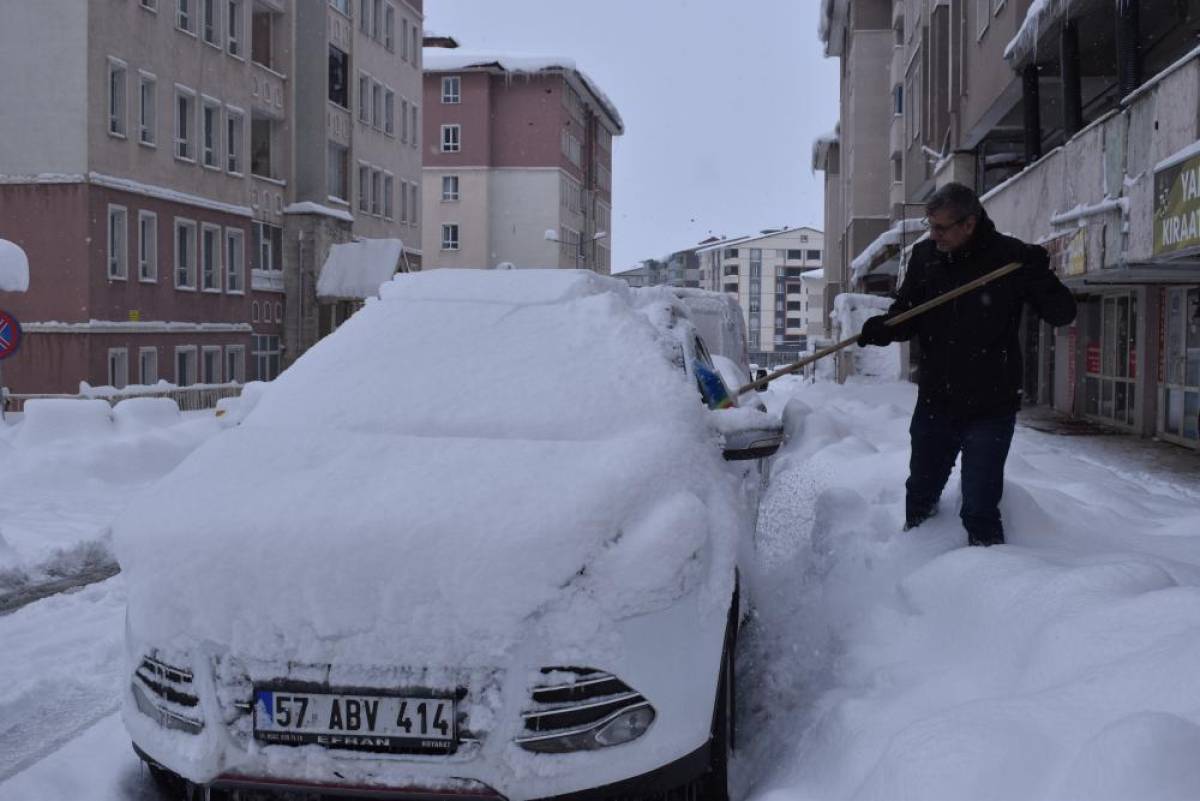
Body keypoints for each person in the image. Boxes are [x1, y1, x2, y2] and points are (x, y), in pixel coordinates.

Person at [857, 183, 1076, 546]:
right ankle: (909, 569)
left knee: (979, 507)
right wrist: (883, 329)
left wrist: (1040, 274)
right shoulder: (926, 257)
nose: (933, 235)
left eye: (941, 228)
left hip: (991, 404)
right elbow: (907, 314)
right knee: (920, 496)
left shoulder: (1011, 258)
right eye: (931, 226)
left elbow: (1062, 313)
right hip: (936, 401)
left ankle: (986, 585)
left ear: (969, 223)